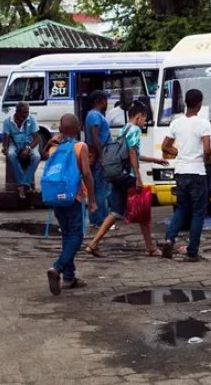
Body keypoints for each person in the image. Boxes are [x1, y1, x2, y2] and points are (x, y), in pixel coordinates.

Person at [85, 101, 169, 258]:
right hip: (128, 176)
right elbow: (131, 153)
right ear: (138, 117)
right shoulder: (135, 130)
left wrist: (154, 160)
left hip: (117, 175)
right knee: (143, 213)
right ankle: (150, 248)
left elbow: (133, 154)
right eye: (144, 119)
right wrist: (138, 177)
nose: (144, 123)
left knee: (115, 213)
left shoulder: (124, 129)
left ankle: (93, 244)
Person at [44, 114, 97, 295]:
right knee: (77, 235)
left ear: (60, 129)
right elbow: (87, 175)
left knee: (67, 235)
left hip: (56, 197)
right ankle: (57, 268)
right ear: (78, 127)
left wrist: (54, 139)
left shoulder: (53, 149)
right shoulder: (80, 147)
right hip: (74, 198)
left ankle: (69, 277)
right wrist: (93, 200)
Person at [160, 89, 211, 262]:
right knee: (198, 213)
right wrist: (207, 159)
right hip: (197, 172)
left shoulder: (176, 123)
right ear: (199, 104)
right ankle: (192, 251)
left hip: (180, 172)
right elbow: (207, 149)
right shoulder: (203, 124)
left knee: (182, 208)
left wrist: (180, 152)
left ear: (186, 103)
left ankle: (169, 238)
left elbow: (165, 146)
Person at [1, 102, 41, 198]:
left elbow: (36, 139)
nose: (26, 115)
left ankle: (23, 185)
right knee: (11, 154)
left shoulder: (31, 119)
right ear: (17, 112)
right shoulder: (7, 122)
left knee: (37, 157)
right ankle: (22, 183)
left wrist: (28, 148)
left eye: (27, 112)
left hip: (29, 144)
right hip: (14, 144)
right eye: (24, 113)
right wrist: (5, 148)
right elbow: (6, 140)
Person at [85, 90, 111, 227]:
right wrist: (102, 155)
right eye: (105, 100)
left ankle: (101, 218)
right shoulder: (95, 116)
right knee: (100, 189)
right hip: (101, 155)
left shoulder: (94, 115)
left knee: (101, 188)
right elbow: (95, 137)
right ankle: (99, 220)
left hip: (101, 154)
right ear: (101, 101)